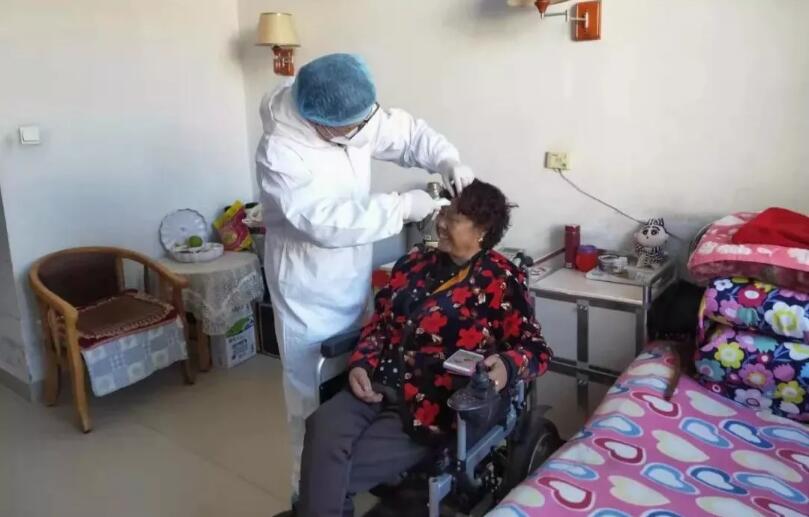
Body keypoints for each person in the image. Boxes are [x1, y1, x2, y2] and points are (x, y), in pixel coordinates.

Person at [256, 53, 476, 500]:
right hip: (307, 288)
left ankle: (353, 473)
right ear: (321, 124)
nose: (364, 131)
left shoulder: (349, 115)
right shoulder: (281, 150)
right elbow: (323, 222)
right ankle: (309, 492)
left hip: (352, 275)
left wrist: (447, 159)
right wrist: (402, 207)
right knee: (312, 398)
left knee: (357, 376)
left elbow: (406, 134)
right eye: (353, 129)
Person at [294, 180, 552, 517]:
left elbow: (535, 348)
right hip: (373, 384)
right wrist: (361, 363)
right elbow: (380, 323)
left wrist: (506, 364)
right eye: (442, 213)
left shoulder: (500, 279)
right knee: (321, 426)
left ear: (482, 231)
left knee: (334, 476)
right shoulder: (413, 263)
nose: (440, 223)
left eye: (453, 218)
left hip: (427, 405)